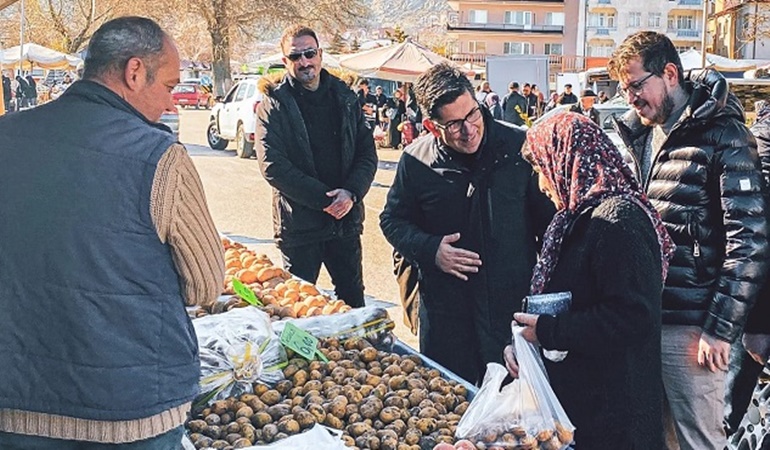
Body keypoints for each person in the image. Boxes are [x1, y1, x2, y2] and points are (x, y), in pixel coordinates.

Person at [0, 16, 224, 449]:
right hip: (132, 416)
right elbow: (205, 285)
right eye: (170, 87)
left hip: (15, 406)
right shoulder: (161, 158)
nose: (172, 104)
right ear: (134, 72)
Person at [608, 30, 769, 450]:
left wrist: (720, 328)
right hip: (648, 317)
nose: (630, 99)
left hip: (695, 327)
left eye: (636, 85)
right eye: (624, 89)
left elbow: (748, 242)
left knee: (699, 441)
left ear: (670, 73)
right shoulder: (640, 135)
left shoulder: (725, 136)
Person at [504, 112, 674, 449]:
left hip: (618, 418)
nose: (541, 183)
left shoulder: (617, 221)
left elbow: (633, 316)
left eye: (541, 169)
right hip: (590, 407)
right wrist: (528, 343)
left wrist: (549, 331)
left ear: (566, 158)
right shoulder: (575, 217)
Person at [380, 62, 554, 384]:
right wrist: (431, 250)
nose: (469, 129)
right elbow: (392, 220)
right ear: (433, 127)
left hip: (510, 315)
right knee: (450, 412)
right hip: (447, 318)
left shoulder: (519, 148)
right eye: (455, 124)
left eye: (472, 114)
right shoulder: (416, 161)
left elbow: (551, 229)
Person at [255, 24, 377, 309]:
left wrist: (351, 193)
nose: (304, 62)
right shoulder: (275, 104)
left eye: (309, 53)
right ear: (285, 61)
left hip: (344, 222)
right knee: (296, 306)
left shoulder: (345, 97)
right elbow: (272, 165)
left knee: (352, 301)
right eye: (296, 57)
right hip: (300, 225)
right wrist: (326, 200)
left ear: (320, 54)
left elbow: (367, 154)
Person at [723, 100, 770, 443]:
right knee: (729, 414)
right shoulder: (762, 145)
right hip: (756, 309)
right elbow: (758, 239)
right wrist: (758, 323)